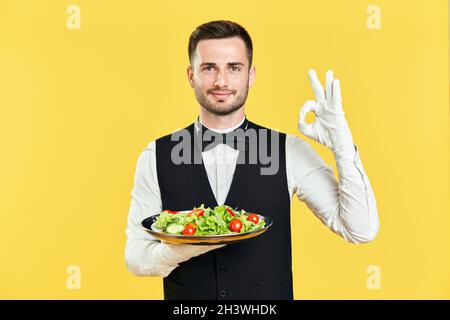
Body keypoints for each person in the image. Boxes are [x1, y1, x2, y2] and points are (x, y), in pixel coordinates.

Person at [124, 20, 380, 300]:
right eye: (209, 68)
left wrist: (342, 144)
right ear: (190, 75)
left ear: (251, 75)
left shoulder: (288, 151)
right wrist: (178, 251)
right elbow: (135, 257)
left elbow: (360, 230)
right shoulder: (155, 155)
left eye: (234, 68)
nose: (221, 81)